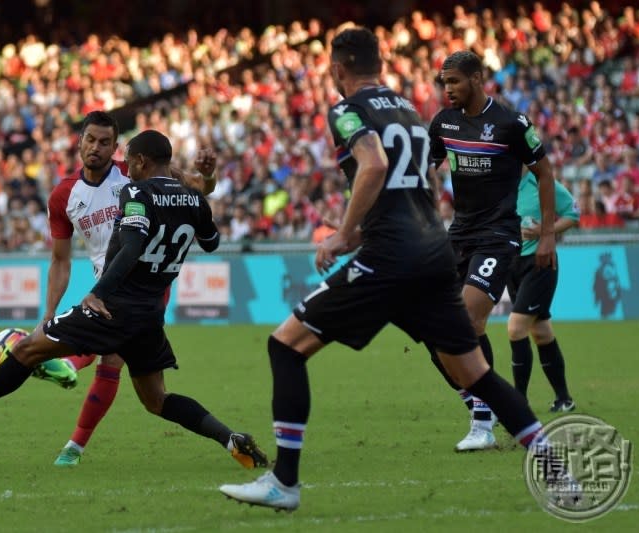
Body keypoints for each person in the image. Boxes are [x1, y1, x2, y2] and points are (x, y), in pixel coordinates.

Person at [219, 27, 548, 511]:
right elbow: (423, 182)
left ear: (338, 68)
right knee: (474, 371)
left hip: (389, 256)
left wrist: (345, 234)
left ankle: (284, 483)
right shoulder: (410, 110)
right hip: (433, 250)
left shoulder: (348, 110)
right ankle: (555, 465)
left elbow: (372, 165)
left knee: (285, 345)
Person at [0, 130, 267, 472]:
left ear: (141, 161)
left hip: (115, 307)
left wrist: (99, 292)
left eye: (129, 160)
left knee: (26, 350)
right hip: (149, 313)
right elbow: (212, 242)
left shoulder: (136, 193)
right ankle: (230, 438)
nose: (127, 167)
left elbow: (131, 248)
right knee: (156, 400)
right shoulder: (193, 200)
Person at [40, 110, 217, 466]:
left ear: (116, 148)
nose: (96, 148)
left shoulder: (136, 171)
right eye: (90, 140)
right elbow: (61, 260)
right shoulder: (64, 196)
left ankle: (71, 397)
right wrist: (47, 315)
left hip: (146, 282)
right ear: (79, 143)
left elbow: (196, 192)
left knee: (113, 354)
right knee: (123, 367)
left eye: (105, 143)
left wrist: (208, 176)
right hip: (106, 283)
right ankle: (73, 440)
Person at [426, 50, 557, 451]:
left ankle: (482, 423)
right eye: (444, 82)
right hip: (459, 234)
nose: (448, 89)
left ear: (478, 78)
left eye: (455, 82)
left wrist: (548, 234)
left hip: (498, 236)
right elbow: (427, 168)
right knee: (433, 329)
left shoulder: (511, 124)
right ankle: (481, 407)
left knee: (466, 322)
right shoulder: (443, 123)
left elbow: (545, 173)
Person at [508, 171, 579, 411]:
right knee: (541, 331)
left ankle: (518, 402)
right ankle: (564, 399)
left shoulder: (542, 183)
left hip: (540, 262)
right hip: (512, 264)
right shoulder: (501, 182)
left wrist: (544, 231)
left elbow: (572, 214)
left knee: (516, 328)